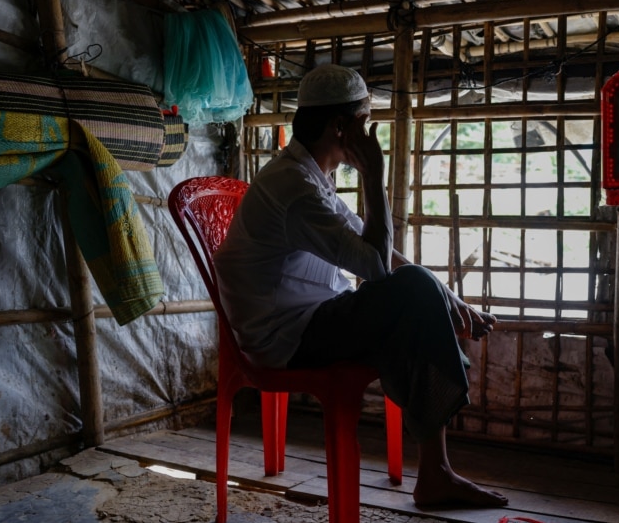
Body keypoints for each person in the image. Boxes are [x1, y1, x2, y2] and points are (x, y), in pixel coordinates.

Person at [213, 64, 508, 508]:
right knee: (409, 295)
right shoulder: (293, 187)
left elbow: (382, 256)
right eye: (364, 123)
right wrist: (374, 175)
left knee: (414, 302)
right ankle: (436, 474)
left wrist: (451, 298)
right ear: (341, 127)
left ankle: (435, 473)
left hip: (313, 320)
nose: (369, 136)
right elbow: (374, 265)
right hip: (283, 338)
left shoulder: (311, 176)